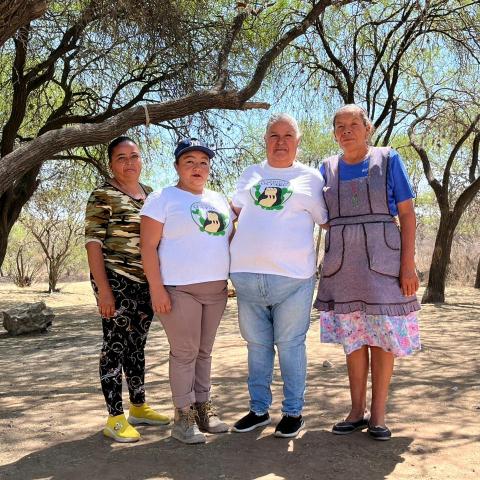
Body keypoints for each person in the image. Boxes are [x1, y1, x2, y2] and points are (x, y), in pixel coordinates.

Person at [314, 104, 421, 441]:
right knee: (354, 339)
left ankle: (378, 415)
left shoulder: (388, 159)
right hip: (342, 266)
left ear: (367, 128)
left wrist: (407, 264)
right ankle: (356, 411)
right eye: (340, 126)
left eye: (354, 124)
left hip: (384, 264)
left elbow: (407, 214)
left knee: (382, 338)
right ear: (334, 133)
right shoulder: (326, 168)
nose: (347, 130)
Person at [230, 113, 329, 438]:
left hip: (293, 280)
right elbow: (233, 216)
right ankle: (258, 410)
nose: (281, 141)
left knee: (290, 346)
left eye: (288, 136)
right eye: (274, 135)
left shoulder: (311, 178)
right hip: (246, 279)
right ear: (265, 140)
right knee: (257, 347)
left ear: (298, 142)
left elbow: (327, 221)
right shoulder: (251, 173)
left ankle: (292, 413)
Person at [140, 138, 233, 444]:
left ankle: (203, 409)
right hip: (179, 290)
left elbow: (229, 240)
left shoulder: (220, 200)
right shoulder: (162, 198)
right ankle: (183, 417)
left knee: (204, 352)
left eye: (203, 162)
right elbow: (148, 247)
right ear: (177, 166)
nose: (197, 168)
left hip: (216, 290)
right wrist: (157, 289)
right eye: (189, 161)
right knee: (185, 352)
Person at [85, 136, 170, 443]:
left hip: (145, 282)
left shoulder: (151, 195)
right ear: (111, 164)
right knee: (114, 347)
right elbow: (93, 245)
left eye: (134, 156)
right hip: (114, 279)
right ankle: (115, 417)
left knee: (137, 347)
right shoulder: (102, 195)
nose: (129, 162)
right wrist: (104, 292)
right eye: (121, 157)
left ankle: (139, 406)